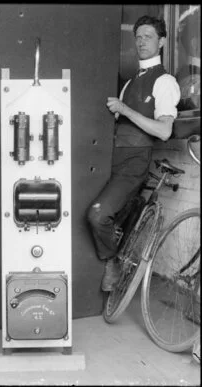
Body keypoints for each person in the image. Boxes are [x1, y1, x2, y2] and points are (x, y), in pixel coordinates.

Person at [87, 15, 181, 292]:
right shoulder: (129, 83)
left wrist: (126, 110)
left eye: (148, 36)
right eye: (138, 37)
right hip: (111, 158)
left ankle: (112, 263)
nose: (141, 42)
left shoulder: (165, 82)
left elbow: (164, 131)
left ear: (162, 41)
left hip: (134, 161)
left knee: (97, 214)